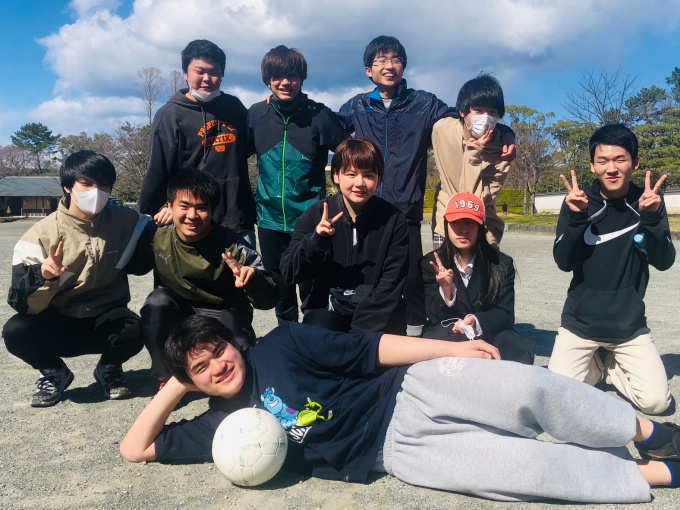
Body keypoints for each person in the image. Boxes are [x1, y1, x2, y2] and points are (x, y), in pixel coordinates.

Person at [120, 314, 680, 502]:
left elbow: (371, 349)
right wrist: (174, 387)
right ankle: (657, 474)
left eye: (217, 350)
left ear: (232, 343)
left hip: (411, 389)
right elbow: (135, 449)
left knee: (529, 389)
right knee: (520, 472)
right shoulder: (221, 428)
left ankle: (651, 432)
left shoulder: (281, 344)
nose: (218, 366)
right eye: (201, 368)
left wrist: (448, 349)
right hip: (395, 452)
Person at [337, 36, 516, 336]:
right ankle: (364, 331)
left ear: (404, 66)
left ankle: (423, 333)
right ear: (369, 69)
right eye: (381, 61)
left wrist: (506, 131)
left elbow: (466, 116)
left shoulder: (424, 104)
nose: (389, 66)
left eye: (395, 60)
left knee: (414, 278)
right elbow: (329, 129)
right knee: (369, 273)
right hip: (367, 207)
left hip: (405, 207)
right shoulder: (357, 106)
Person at [2, 151, 149, 407]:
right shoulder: (39, 235)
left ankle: (109, 367)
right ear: (68, 187)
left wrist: (170, 214)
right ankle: (53, 371)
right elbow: (21, 303)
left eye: (104, 185)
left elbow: (163, 227)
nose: (96, 192)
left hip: (105, 318)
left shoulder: (128, 222)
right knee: (15, 331)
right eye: (87, 183)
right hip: (58, 320)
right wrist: (44, 276)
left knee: (136, 328)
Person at [549, 124, 675, 415]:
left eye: (620, 159)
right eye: (603, 160)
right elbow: (563, 262)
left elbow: (664, 261)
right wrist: (576, 217)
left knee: (657, 403)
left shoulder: (647, 202)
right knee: (556, 399)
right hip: (580, 325)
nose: (612, 168)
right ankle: (595, 366)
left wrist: (652, 219)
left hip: (628, 327)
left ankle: (614, 369)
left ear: (635, 162)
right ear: (592, 165)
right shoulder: (578, 201)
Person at [129, 170, 277, 384]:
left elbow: (269, 299)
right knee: (157, 303)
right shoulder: (157, 236)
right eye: (184, 206)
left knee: (243, 364)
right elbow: (132, 266)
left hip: (223, 313)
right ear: (169, 206)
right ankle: (167, 378)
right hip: (179, 312)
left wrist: (252, 279)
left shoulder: (232, 245)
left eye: (202, 208)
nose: (192, 215)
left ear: (213, 210)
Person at [248, 45, 349, 324]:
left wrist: (341, 193)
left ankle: (314, 338)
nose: (285, 82)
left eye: (292, 76)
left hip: (309, 220)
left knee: (312, 290)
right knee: (281, 289)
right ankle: (287, 339)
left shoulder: (319, 115)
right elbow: (232, 157)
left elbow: (348, 153)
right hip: (269, 220)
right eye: (278, 76)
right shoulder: (256, 114)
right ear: (267, 80)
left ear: (302, 79)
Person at [280, 138, 408, 334]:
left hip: (377, 313)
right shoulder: (315, 214)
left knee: (386, 341)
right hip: (327, 309)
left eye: (369, 175)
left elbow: (391, 283)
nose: (360, 183)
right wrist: (315, 241)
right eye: (351, 174)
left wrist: (357, 335)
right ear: (336, 176)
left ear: (379, 179)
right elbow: (290, 271)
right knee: (317, 337)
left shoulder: (394, 220)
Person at [138, 39, 256, 246]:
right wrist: (158, 209)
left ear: (222, 74)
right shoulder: (170, 115)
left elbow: (251, 145)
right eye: (199, 71)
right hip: (191, 222)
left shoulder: (235, 108)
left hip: (236, 219)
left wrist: (270, 108)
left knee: (242, 267)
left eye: (214, 72)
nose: (207, 78)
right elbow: (158, 171)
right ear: (185, 73)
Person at [422, 192, 534, 364]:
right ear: (446, 225)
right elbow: (434, 316)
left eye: (470, 222)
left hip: (488, 333)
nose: (463, 230)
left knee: (511, 345)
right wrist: (446, 290)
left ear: (481, 226)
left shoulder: (501, 263)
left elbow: (505, 314)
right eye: (456, 222)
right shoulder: (432, 263)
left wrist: (476, 321)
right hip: (449, 335)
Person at [431, 73, 511, 249]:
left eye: (492, 112)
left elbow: (473, 200)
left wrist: (474, 155)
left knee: (487, 268)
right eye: (478, 110)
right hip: (445, 225)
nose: (485, 118)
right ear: (462, 112)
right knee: (442, 267)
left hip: (483, 227)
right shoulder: (442, 130)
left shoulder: (503, 151)